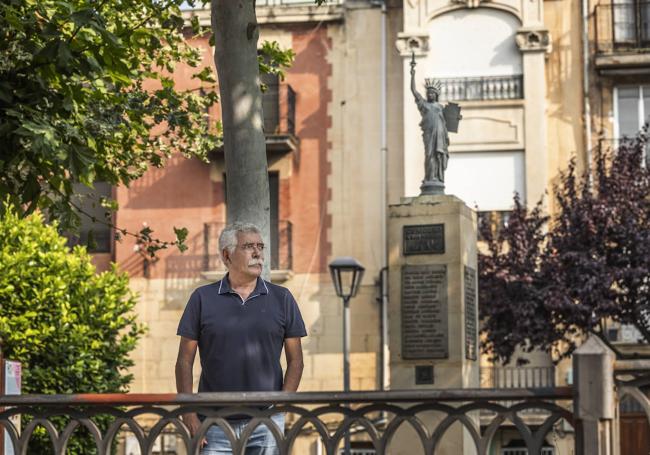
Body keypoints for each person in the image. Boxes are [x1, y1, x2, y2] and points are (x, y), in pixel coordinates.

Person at [175, 222, 306, 455]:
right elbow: (184, 361)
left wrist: (281, 408)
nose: (257, 253)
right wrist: (189, 412)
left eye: (260, 246)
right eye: (248, 246)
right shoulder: (202, 298)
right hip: (213, 422)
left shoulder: (282, 297)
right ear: (227, 255)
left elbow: (296, 360)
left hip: (266, 421)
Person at [410, 57, 449, 184]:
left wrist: (446, 136)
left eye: (433, 93)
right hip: (429, 134)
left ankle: (436, 177)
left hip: (439, 135)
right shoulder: (424, 105)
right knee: (429, 155)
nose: (430, 95)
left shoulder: (439, 107)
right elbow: (414, 91)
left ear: (436, 95)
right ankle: (428, 178)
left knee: (438, 156)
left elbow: (444, 122)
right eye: (429, 93)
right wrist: (413, 75)